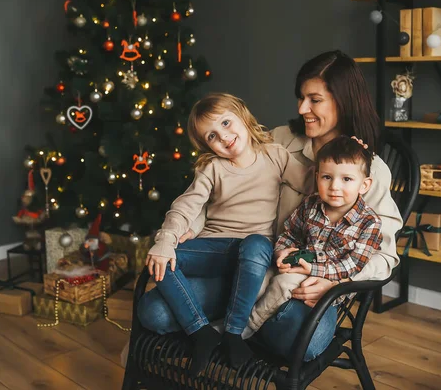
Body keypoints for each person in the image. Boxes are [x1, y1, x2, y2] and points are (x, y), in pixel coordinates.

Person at [137, 50, 403, 363]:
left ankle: (232, 329)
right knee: (152, 312)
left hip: (300, 285)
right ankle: (231, 330)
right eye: (301, 97)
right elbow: (214, 191)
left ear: (342, 101)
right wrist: (188, 229)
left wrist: (337, 282)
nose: (302, 108)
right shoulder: (279, 140)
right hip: (244, 265)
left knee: (305, 338)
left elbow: (384, 256)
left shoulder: (370, 170)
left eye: (314, 99)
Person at [143, 92, 311, 376]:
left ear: (242, 115)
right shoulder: (212, 168)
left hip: (255, 254)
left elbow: (312, 182)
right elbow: (185, 206)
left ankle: (234, 333)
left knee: (257, 244)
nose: (223, 136)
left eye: (225, 123)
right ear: (205, 145)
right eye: (211, 136)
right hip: (215, 248)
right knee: (159, 258)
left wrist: (344, 161)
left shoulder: (275, 155)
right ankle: (201, 333)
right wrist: (165, 241)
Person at [247, 135, 383, 333]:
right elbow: (290, 233)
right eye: (327, 177)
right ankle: (233, 323)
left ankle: (248, 328)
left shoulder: (369, 223)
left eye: (346, 179)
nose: (334, 186)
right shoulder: (311, 204)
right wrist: (282, 251)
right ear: (317, 176)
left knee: (282, 284)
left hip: (326, 280)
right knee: (258, 280)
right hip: (297, 264)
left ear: (364, 185)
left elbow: (352, 265)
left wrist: (311, 269)